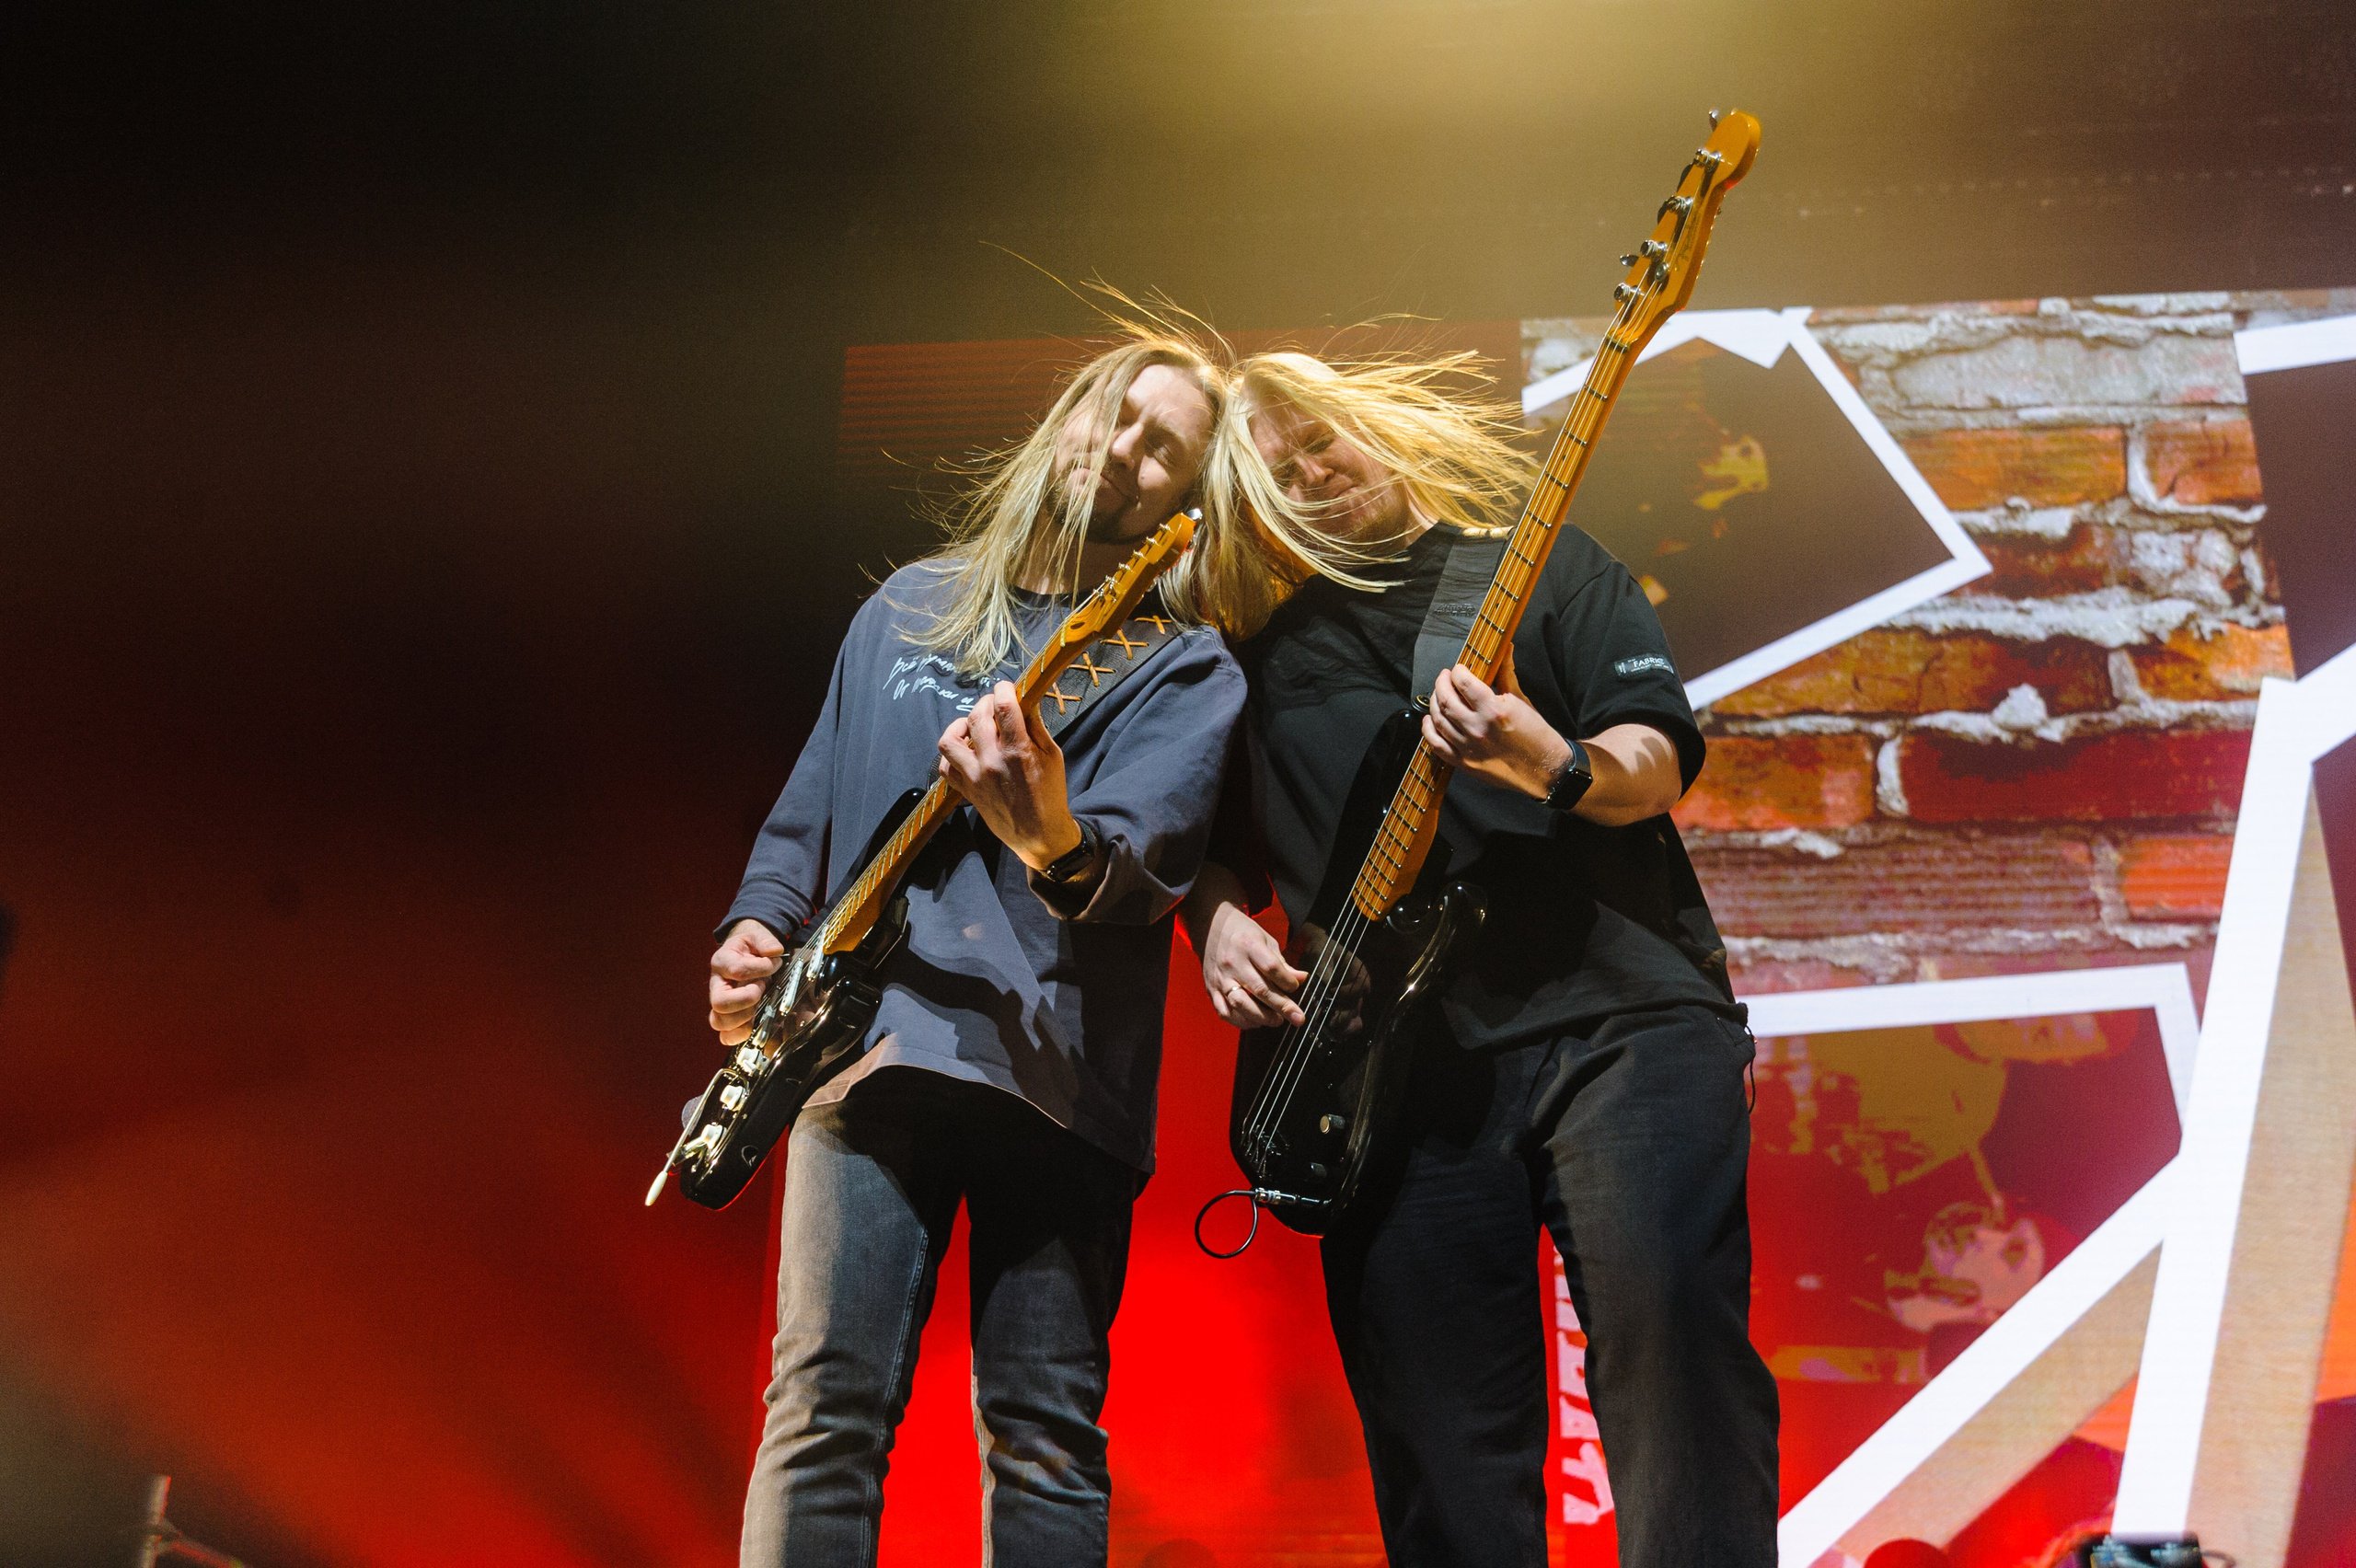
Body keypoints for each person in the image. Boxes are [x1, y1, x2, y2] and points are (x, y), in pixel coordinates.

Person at [1178, 349, 1780, 1568]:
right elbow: (1200, 844)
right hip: (1398, 1079)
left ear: (1375, 426)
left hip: (1622, 1023)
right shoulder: (1259, 660)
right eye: (1282, 472)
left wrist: (1546, 755)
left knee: (1679, 1379)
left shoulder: (1541, 565)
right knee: (1440, 1447)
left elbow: (1654, 759)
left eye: (1322, 442)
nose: (1316, 474)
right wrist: (1218, 922)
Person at [710, 329, 1248, 1566]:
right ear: (1066, 415)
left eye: (1162, 445)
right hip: (861, 1054)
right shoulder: (909, 603)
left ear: (1186, 496)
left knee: (1043, 1431)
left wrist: (1046, 828)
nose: (1124, 451)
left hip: (1056, 1086)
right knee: (819, 1412)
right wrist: (754, 929)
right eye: (1114, 414)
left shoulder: (1184, 666)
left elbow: (1137, 873)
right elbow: (807, 818)